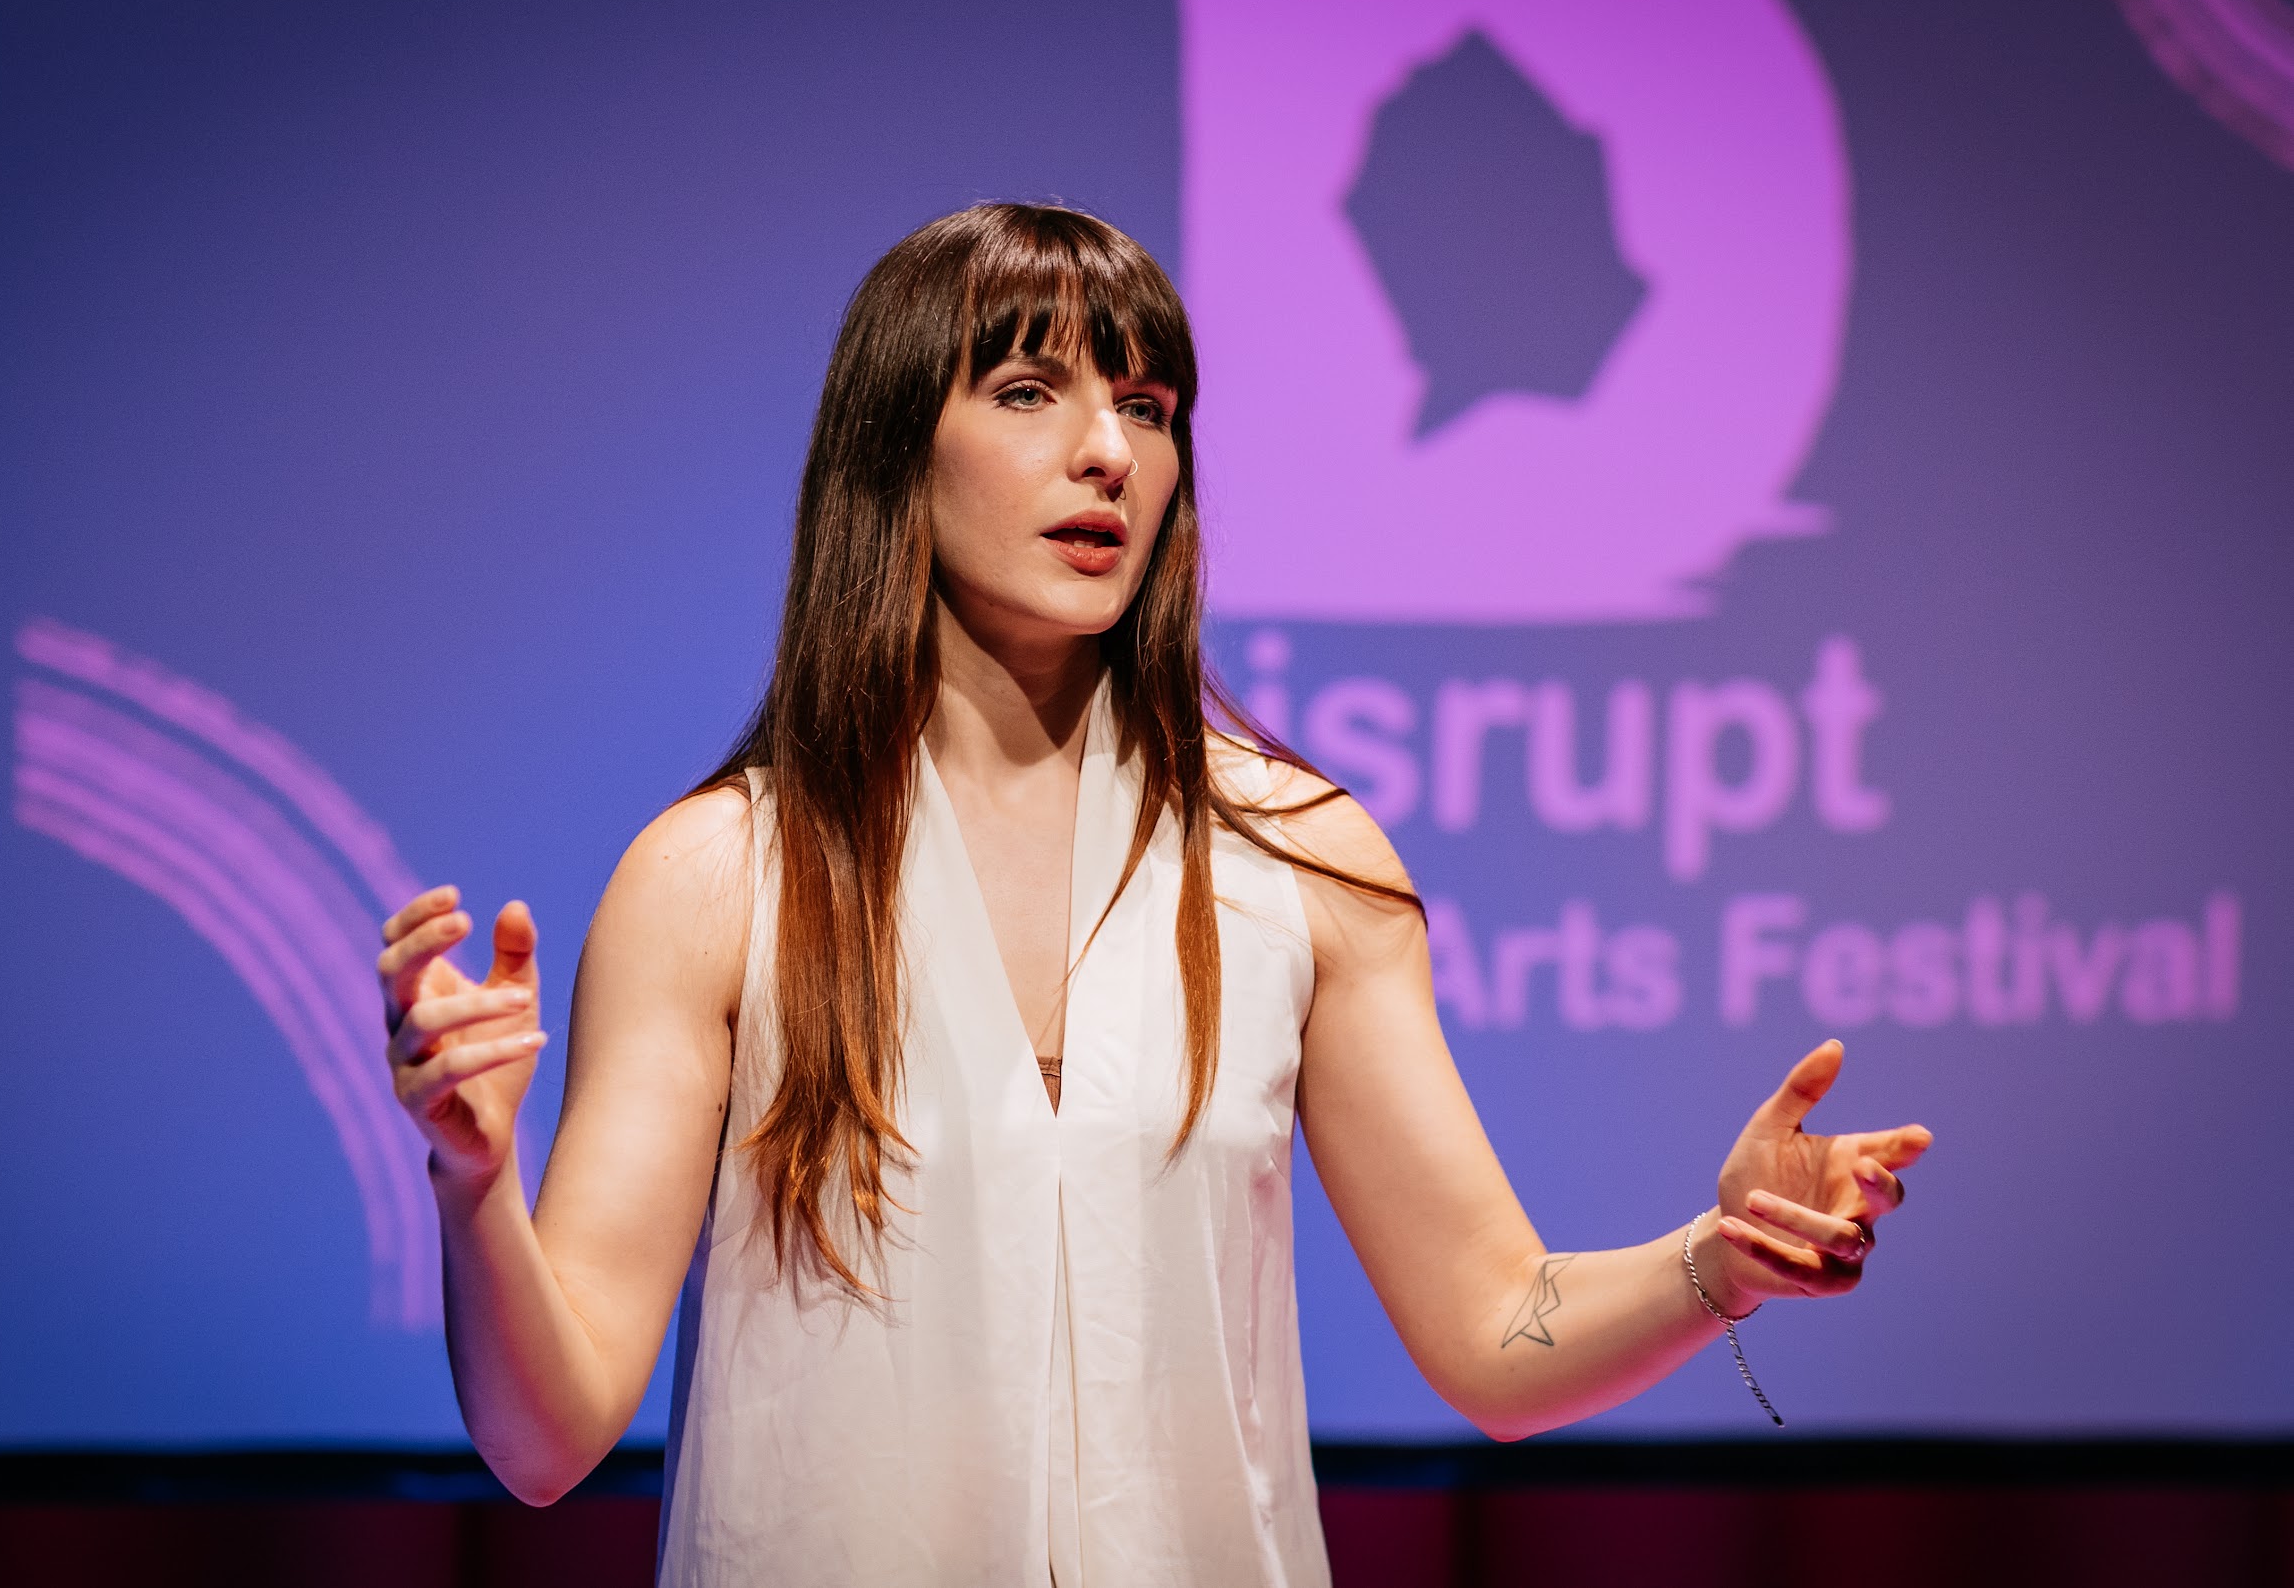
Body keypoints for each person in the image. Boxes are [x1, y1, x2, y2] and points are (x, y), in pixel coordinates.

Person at [374, 203, 1932, 1586]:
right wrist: (471, 1183)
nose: (1109, 450)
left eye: (1146, 404)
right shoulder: (722, 874)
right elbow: (546, 1436)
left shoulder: (1299, 859)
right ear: (895, 446)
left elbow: (1497, 1335)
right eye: (1032, 392)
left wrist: (1713, 1261)